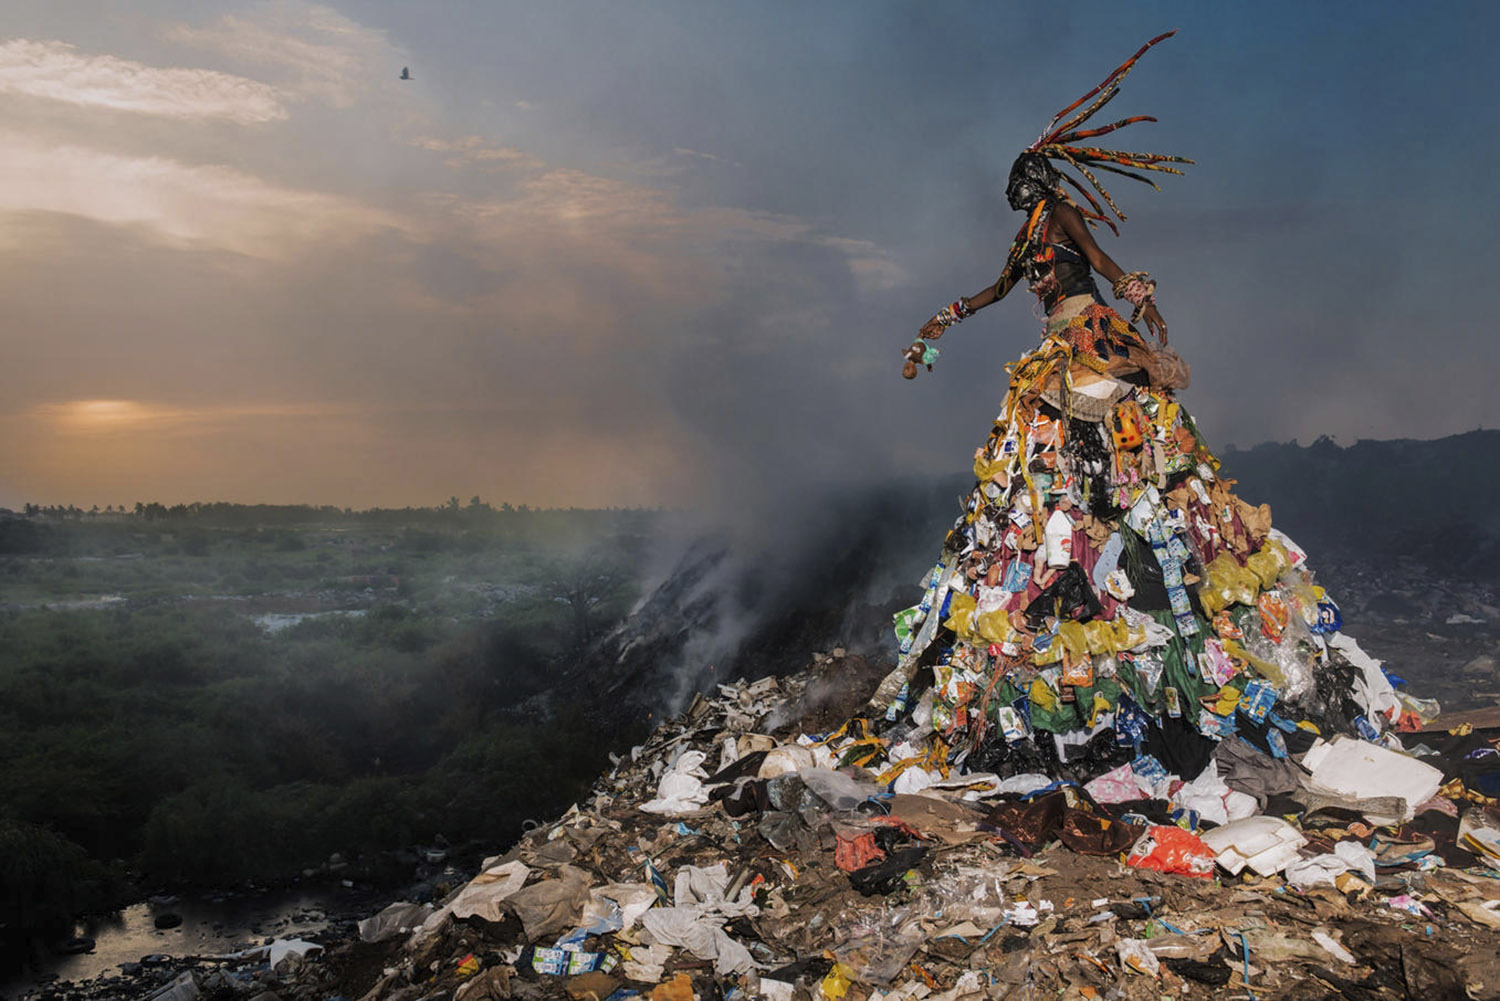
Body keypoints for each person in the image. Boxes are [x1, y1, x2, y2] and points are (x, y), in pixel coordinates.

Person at [875, 33, 1403, 783]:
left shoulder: (1057, 211)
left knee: (1128, 456)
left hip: (1092, 335)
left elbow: (1096, 258)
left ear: (1039, 177)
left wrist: (1136, 294)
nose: (1015, 192)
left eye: (1021, 180)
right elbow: (993, 291)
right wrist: (934, 328)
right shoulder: (1027, 235)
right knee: (1045, 468)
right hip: (1061, 346)